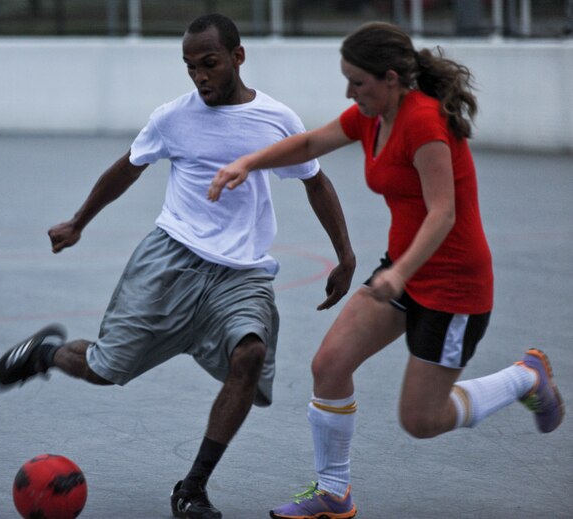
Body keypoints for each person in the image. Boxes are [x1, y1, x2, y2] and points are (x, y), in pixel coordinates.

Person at [0, 13, 356, 519]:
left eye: (209, 64)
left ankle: (193, 487)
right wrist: (79, 222)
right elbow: (129, 166)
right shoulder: (173, 118)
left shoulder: (276, 120)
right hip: (171, 263)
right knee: (103, 369)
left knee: (248, 357)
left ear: (237, 57)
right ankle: (48, 354)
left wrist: (345, 253)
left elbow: (315, 180)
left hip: (241, 273)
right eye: (190, 67)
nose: (200, 76)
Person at [209, 21, 565, 519]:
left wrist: (400, 275)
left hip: (453, 287)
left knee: (422, 419)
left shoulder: (422, 123)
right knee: (328, 366)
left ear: (392, 79)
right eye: (347, 80)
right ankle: (334, 492)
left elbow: (443, 212)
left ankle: (524, 379)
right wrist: (249, 162)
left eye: (358, 82)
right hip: (402, 270)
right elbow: (310, 144)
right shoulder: (371, 117)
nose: (349, 92)